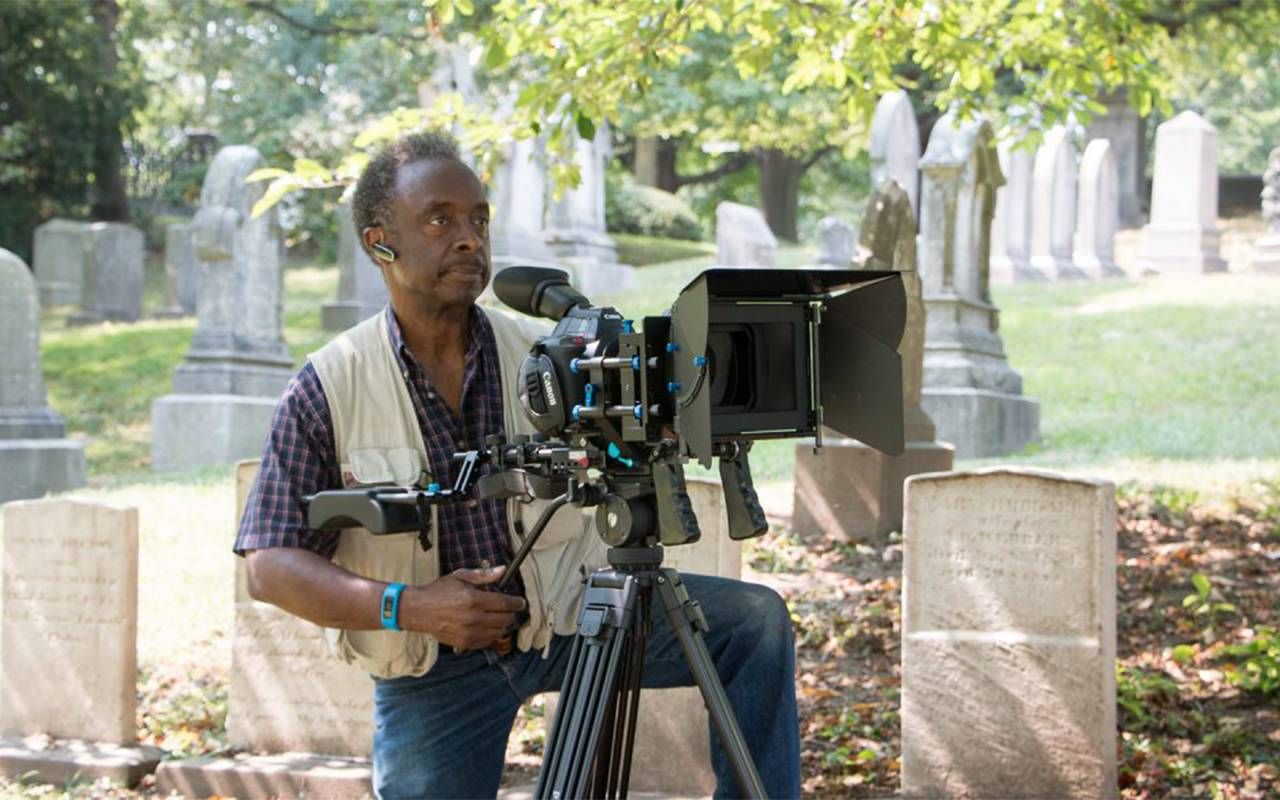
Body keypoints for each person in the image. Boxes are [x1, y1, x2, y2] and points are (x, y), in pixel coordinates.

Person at [234, 130, 800, 799]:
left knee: (755, 624)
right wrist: (412, 608)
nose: (470, 239)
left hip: (578, 624)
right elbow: (269, 566)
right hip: (435, 665)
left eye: (479, 219)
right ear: (379, 242)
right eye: (440, 220)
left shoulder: (553, 358)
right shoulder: (328, 386)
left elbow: (650, 417)